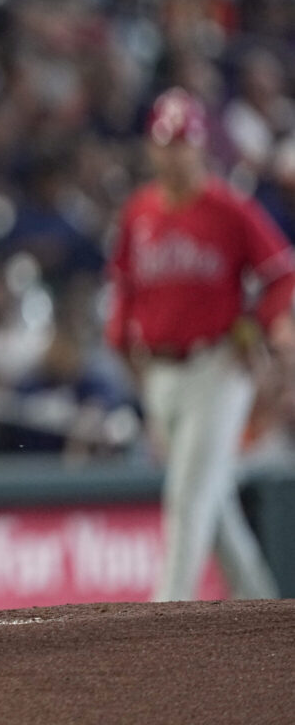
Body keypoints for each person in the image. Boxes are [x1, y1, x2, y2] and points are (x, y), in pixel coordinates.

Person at [106, 87, 295, 602]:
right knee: (215, 504)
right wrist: (122, 341)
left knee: (188, 497)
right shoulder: (139, 210)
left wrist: (258, 325)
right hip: (160, 371)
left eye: (182, 143)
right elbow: (124, 285)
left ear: (201, 146)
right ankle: (265, 608)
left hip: (217, 367)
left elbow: (280, 273)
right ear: (151, 147)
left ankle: (165, 613)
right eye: (165, 143)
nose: (173, 154)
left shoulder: (229, 208)